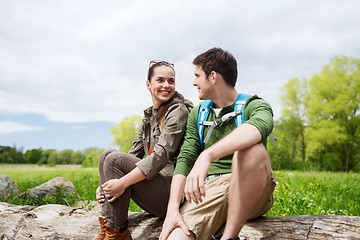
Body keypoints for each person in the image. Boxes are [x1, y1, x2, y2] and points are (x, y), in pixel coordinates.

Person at [159, 48, 276, 240]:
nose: (194, 82)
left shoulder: (255, 105)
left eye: (197, 76)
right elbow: (186, 158)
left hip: (253, 189)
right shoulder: (198, 114)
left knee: (251, 150)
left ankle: (229, 238)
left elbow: (259, 127)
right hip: (209, 192)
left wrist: (207, 155)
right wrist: (172, 209)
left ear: (213, 77)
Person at [95, 60, 193, 240]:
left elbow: (160, 157)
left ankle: (117, 233)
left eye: (171, 81)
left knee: (114, 160)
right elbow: (132, 155)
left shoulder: (178, 111)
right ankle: (112, 229)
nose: (166, 85)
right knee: (107, 156)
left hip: (175, 195)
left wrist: (122, 183)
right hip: (158, 188)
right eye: (160, 80)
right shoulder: (150, 115)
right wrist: (107, 183)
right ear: (148, 84)